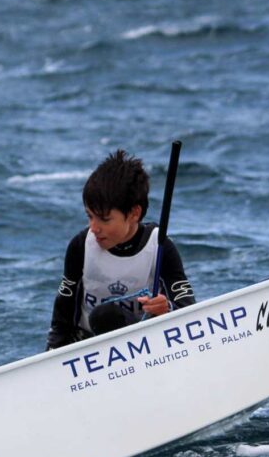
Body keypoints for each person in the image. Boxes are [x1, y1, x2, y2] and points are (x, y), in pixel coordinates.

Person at [46, 149, 195, 350]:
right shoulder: (81, 246)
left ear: (134, 213)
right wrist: (53, 355)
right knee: (103, 316)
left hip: (147, 347)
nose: (94, 227)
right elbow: (62, 316)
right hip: (89, 346)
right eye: (90, 216)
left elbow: (189, 311)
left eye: (104, 219)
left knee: (107, 315)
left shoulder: (160, 247)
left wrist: (167, 309)